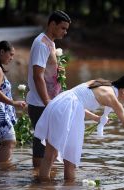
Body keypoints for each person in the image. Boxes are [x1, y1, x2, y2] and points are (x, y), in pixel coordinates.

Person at [34, 74, 124, 181]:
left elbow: (77, 101)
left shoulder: (101, 82)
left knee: (50, 154)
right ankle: (62, 185)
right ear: (123, 90)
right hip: (66, 108)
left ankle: (43, 185)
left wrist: (97, 118)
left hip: (59, 103)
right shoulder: (113, 99)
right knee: (70, 160)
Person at [26, 10, 71, 167]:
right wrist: (47, 101)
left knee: (50, 141)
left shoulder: (50, 42)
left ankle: (43, 177)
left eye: (66, 29)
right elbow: (38, 75)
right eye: (63, 28)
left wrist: (58, 69)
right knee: (41, 142)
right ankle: (38, 177)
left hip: (49, 101)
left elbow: (46, 70)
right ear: (52, 24)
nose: (65, 32)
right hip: (40, 103)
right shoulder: (41, 44)